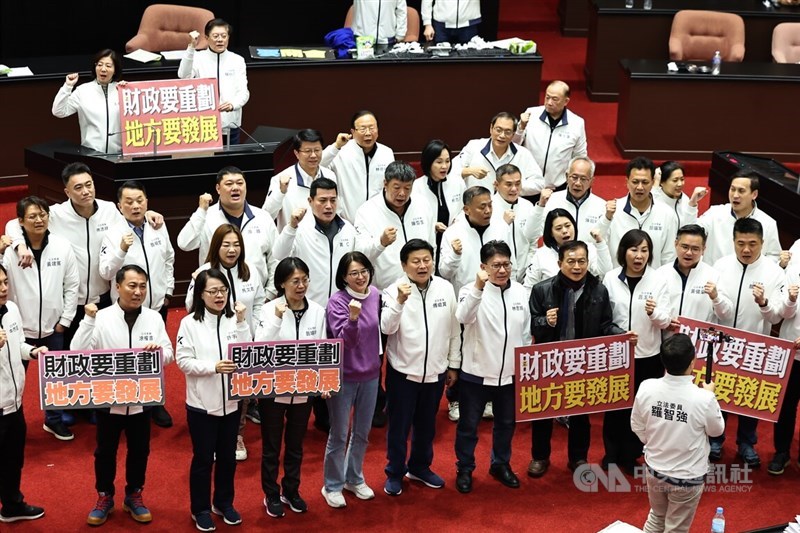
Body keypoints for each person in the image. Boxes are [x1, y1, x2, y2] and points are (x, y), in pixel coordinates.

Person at [5, 162, 161, 352]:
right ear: (67, 192)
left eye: (89, 184)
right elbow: (14, 224)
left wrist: (149, 213)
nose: (86, 191)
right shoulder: (57, 214)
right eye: (78, 187)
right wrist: (20, 246)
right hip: (70, 303)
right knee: (71, 359)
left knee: (103, 356)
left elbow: (131, 217)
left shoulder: (109, 210)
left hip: (103, 299)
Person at [71, 265, 174, 526]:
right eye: (132, 285)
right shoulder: (102, 316)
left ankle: (134, 495)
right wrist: (88, 320)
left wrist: (157, 354)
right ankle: (104, 496)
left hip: (142, 399)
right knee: (105, 451)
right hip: (109, 398)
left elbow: (169, 354)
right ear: (117, 287)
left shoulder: (153, 318)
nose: (138, 291)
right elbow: (78, 352)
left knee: (140, 450)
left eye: (142, 286)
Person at [528, 240, 627, 477]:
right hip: (550, 361)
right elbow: (531, 325)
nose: (576, 266)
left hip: (582, 361)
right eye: (570, 261)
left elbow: (605, 324)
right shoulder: (542, 290)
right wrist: (546, 321)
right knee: (543, 411)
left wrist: (622, 337)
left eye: (581, 261)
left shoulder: (598, 289)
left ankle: (578, 457)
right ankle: (540, 457)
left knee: (581, 413)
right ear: (559, 263)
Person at [381, 239, 460, 496]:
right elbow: (386, 328)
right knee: (399, 426)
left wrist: (453, 364)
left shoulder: (446, 288)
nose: (422, 265)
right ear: (404, 265)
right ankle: (394, 471)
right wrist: (400, 302)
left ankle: (419, 467)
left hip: (436, 371)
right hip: (403, 372)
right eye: (415, 261)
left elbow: (453, 329)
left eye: (426, 260)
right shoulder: (393, 290)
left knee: (427, 425)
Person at [454, 240, 531, 493]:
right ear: (483, 267)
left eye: (506, 264)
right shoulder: (469, 290)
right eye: (495, 265)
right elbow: (463, 317)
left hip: (509, 375)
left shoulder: (520, 291)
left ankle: (500, 464)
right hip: (476, 375)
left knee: (506, 424)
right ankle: (465, 468)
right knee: (468, 426)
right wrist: (478, 286)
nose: (502, 270)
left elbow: (526, 330)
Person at [98, 181, 176, 429]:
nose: (135, 205)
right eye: (129, 202)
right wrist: (121, 249)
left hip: (155, 306)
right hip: (125, 309)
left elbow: (169, 258)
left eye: (139, 200)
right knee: (128, 355)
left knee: (155, 354)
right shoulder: (112, 234)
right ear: (120, 206)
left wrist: (168, 290)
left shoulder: (157, 226)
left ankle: (154, 402)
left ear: (147, 202)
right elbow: (106, 271)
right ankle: (124, 401)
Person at [185, 224, 265, 461]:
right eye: (226, 244)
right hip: (211, 340)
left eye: (236, 244)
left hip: (244, 338)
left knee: (241, 391)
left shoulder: (250, 271)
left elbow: (259, 301)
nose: (232, 250)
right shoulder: (203, 272)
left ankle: (237, 435)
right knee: (215, 387)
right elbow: (191, 307)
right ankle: (211, 435)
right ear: (215, 247)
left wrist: (254, 331)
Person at [0, 197, 79, 441]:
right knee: (13, 376)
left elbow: (72, 284)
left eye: (43, 214)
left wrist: (64, 321)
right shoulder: (12, 251)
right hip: (18, 329)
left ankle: (53, 421)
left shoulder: (62, 246)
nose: (39, 219)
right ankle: (14, 422)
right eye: (32, 216)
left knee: (56, 379)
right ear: (20, 221)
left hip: (53, 327)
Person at [176, 269, 249, 532]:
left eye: (223, 290)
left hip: (232, 403)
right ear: (200, 294)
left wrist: (242, 322)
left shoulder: (235, 319)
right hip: (201, 405)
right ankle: (200, 509)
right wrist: (213, 367)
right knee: (204, 458)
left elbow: (246, 355)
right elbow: (184, 361)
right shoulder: (189, 323)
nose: (219, 296)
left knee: (228, 458)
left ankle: (224, 503)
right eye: (213, 291)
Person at [710, 218, 785, 467]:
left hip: (754, 347)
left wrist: (764, 303)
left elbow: (776, 316)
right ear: (733, 241)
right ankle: (715, 440)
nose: (746, 249)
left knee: (748, 396)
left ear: (762, 243)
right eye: (740, 243)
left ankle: (746, 443)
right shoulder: (720, 266)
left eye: (752, 244)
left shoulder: (774, 272)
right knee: (717, 395)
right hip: (721, 346)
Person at [631, 333, 725, 533]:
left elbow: (636, 425)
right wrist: (711, 394)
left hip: (654, 468)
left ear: (663, 361)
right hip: (687, 477)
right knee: (676, 528)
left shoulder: (646, 387)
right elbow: (717, 431)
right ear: (692, 363)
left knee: (656, 517)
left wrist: (655, 443)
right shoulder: (703, 398)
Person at [255, 258, 326, 517]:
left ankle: (291, 490)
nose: (301, 285)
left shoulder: (317, 311)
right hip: (274, 389)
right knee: (272, 445)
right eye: (295, 281)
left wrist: (323, 382)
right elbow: (259, 347)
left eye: (305, 280)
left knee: (296, 444)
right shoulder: (268, 309)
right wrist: (276, 318)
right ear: (281, 283)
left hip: (304, 389)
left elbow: (321, 349)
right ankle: (271, 493)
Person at [602, 229, 672, 474]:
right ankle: (611, 454)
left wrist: (654, 313)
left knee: (640, 408)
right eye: (634, 249)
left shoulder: (658, 280)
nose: (639, 255)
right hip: (616, 355)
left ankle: (631, 455)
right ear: (624, 252)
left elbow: (666, 321)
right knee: (615, 407)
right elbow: (604, 316)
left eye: (644, 250)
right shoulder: (610, 278)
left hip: (648, 356)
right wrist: (617, 333)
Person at [322, 252, 382, 508]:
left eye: (364, 271)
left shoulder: (376, 295)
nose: (361, 277)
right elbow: (346, 341)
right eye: (354, 273)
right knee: (339, 434)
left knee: (362, 433)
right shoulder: (337, 302)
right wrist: (353, 318)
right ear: (343, 277)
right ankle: (332, 485)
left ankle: (354, 478)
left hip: (371, 374)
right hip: (344, 377)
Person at [273, 178, 382, 306]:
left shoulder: (347, 228)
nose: (329, 206)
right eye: (323, 200)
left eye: (333, 200)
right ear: (310, 201)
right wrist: (291, 226)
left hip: (341, 307)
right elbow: (278, 255)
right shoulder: (300, 228)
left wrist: (381, 243)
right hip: (309, 305)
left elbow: (362, 256)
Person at [178, 166, 278, 298]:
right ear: (218, 189)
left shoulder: (262, 217)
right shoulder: (206, 217)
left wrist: (269, 294)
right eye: (229, 184)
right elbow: (184, 243)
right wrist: (201, 211)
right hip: (216, 298)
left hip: (256, 297)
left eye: (240, 183)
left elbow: (275, 258)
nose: (235, 188)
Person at [0, 264, 46, 523]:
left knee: (12, 459)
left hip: (14, 403)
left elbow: (17, 345)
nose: (4, 288)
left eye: (6, 282)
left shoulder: (12, 310)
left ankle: (12, 505)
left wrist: (32, 351)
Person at [354, 161, 436, 291]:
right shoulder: (366, 211)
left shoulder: (422, 205)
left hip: (423, 288)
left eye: (407, 188)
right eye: (397, 187)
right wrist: (381, 243)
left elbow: (432, 245)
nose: (402, 193)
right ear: (385, 184)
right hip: (386, 290)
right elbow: (359, 254)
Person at [178, 18, 249, 145]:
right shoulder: (199, 58)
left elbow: (244, 92)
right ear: (206, 37)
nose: (220, 40)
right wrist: (191, 47)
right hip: (204, 124)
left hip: (230, 124)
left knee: (229, 162)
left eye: (224, 36)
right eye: (215, 36)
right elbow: (183, 76)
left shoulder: (237, 60)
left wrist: (233, 104)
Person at [598, 157, 678, 268]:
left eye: (645, 182)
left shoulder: (667, 214)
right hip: (618, 282)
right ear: (627, 182)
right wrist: (606, 219)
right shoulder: (612, 211)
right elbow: (598, 243)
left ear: (653, 183)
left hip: (654, 282)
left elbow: (669, 256)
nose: (640, 187)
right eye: (635, 182)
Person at [321, 110, 395, 222]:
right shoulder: (341, 151)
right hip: (348, 220)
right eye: (363, 129)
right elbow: (318, 164)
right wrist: (336, 146)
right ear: (353, 132)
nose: (368, 133)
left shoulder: (386, 153)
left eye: (372, 128)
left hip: (378, 219)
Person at [514, 80, 587, 192]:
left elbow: (579, 156)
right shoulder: (531, 114)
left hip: (557, 187)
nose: (549, 102)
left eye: (555, 99)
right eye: (547, 97)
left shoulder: (577, 123)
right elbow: (514, 146)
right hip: (528, 184)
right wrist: (520, 127)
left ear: (566, 101)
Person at [696, 170, 782, 266]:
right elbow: (691, 233)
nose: (735, 195)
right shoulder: (715, 213)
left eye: (741, 191)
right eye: (732, 189)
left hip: (750, 278)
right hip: (715, 277)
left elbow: (774, 255)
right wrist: (692, 205)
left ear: (754, 194)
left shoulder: (768, 223)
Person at [453, 112, 544, 198]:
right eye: (498, 130)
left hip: (508, 208)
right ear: (491, 128)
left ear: (513, 134)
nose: (502, 136)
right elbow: (451, 171)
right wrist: (469, 171)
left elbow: (539, 183)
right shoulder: (474, 146)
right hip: (476, 206)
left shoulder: (523, 153)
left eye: (507, 132)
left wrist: (513, 186)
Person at [655, 224, 732, 325]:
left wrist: (716, 298)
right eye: (685, 247)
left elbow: (727, 315)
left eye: (695, 249)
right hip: (666, 338)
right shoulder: (661, 274)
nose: (689, 253)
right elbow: (651, 309)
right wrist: (664, 322)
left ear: (703, 249)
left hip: (698, 339)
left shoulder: (713, 275)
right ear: (676, 244)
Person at [262, 129, 337, 232]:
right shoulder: (281, 179)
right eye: (308, 151)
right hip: (293, 242)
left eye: (317, 150)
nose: (313, 155)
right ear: (296, 153)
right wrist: (281, 192)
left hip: (323, 240)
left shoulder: (330, 175)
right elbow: (267, 215)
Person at [440, 186, 509, 294]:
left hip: (498, 296)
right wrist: (455, 255)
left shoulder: (502, 227)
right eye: (482, 207)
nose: (488, 211)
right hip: (467, 296)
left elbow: (511, 264)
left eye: (490, 205)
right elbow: (445, 273)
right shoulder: (452, 233)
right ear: (466, 210)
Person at [52, 49, 123, 154]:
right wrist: (67, 87)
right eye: (99, 65)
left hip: (119, 154)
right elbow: (58, 111)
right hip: (91, 153)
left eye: (108, 66)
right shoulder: (83, 91)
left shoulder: (122, 90)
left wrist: (130, 91)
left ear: (115, 70)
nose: (103, 69)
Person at [524, 208, 611, 292]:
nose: (565, 231)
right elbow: (529, 288)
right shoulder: (541, 255)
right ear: (551, 233)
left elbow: (604, 272)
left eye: (568, 226)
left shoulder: (588, 248)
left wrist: (600, 242)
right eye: (558, 228)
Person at [411, 139, 464, 272]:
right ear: (429, 163)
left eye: (447, 161)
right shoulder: (416, 187)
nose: (444, 166)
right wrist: (432, 225)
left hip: (453, 240)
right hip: (428, 241)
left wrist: (458, 222)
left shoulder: (457, 183)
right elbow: (413, 217)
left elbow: (465, 209)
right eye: (439, 162)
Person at [534, 156, 610, 244]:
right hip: (556, 256)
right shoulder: (551, 200)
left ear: (591, 181)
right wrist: (540, 207)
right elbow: (534, 233)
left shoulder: (601, 206)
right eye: (574, 177)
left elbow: (604, 241)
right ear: (566, 176)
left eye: (583, 179)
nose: (577, 183)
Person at [768, 268, 800, 475]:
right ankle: (782, 452)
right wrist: (790, 299)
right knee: (786, 406)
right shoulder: (796, 257)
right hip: (791, 352)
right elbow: (784, 313)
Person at [491, 164, 540, 282]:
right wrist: (504, 224)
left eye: (518, 184)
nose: (514, 189)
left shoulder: (527, 206)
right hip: (498, 274)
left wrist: (529, 263)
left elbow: (533, 240)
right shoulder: (488, 207)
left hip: (525, 273)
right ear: (496, 185)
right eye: (508, 184)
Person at [651, 161, 707, 229]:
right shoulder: (655, 198)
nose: (680, 184)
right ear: (662, 182)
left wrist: (692, 203)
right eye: (675, 180)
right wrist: (656, 183)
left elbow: (690, 227)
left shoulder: (684, 199)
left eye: (682, 179)